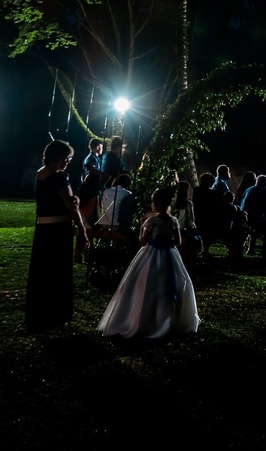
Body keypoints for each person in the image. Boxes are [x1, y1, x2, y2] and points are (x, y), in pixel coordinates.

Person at [98, 186, 201, 338]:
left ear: (156, 203)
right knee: (169, 282)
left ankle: (143, 317)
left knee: (146, 282)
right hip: (170, 254)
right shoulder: (173, 220)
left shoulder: (152, 220)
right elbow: (178, 241)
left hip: (151, 253)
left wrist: (142, 228)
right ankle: (169, 317)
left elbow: (143, 241)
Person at [26, 140, 88, 332]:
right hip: (59, 230)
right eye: (65, 158)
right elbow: (71, 206)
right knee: (59, 271)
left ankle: (39, 311)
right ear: (55, 157)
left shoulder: (40, 174)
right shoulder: (61, 178)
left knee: (42, 271)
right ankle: (57, 313)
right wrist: (83, 230)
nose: (67, 161)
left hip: (43, 229)